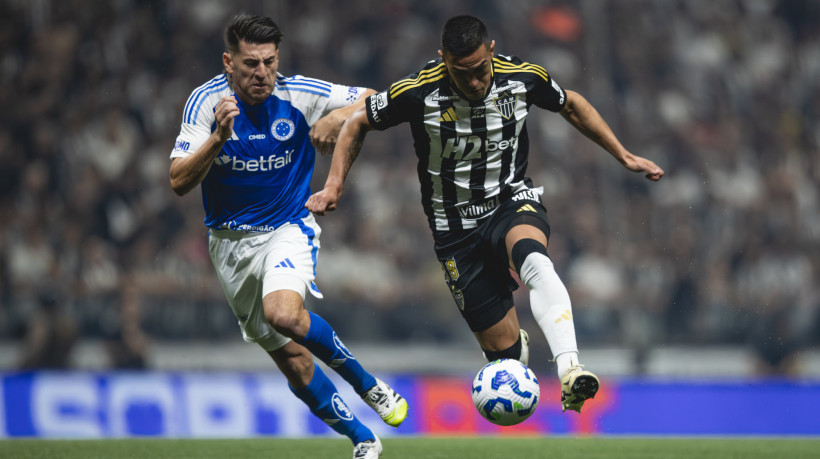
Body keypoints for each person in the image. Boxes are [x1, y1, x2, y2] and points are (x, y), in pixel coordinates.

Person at [307, 15, 664, 414]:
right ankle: (515, 349)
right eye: (463, 74)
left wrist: (624, 155)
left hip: (510, 200)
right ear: (444, 61)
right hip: (453, 229)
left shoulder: (522, 77)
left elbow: (572, 104)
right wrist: (334, 184)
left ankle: (570, 370)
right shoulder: (418, 91)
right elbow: (358, 122)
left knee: (533, 258)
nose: (475, 82)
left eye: (480, 70)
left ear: (491, 51)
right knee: (505, 353)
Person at [169, 14, 406, 458]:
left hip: (287, 227)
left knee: (283, 313)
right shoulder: (204, 104)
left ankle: (370, 386)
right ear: (228, 62)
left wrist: (337, 116)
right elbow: (179, 181)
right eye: (250, 64)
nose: (262, 73)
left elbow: (378, 98)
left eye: (270, 62)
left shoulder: (298, 92)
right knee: (295, 364)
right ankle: (364, 440)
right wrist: (218, 138)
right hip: (229, 246)